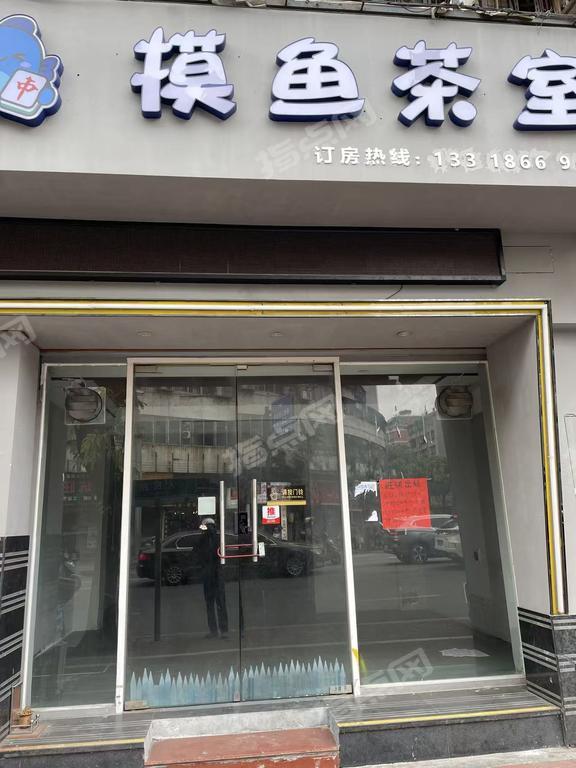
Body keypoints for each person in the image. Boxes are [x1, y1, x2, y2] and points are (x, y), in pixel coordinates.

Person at [198, 518, 229, 639]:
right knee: (220, 603)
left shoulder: (203, 539)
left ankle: (214, 631)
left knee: (210, 604)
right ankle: (223, 630)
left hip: (209, 574)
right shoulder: (219, 538)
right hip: (217, 574)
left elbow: (197, 553)